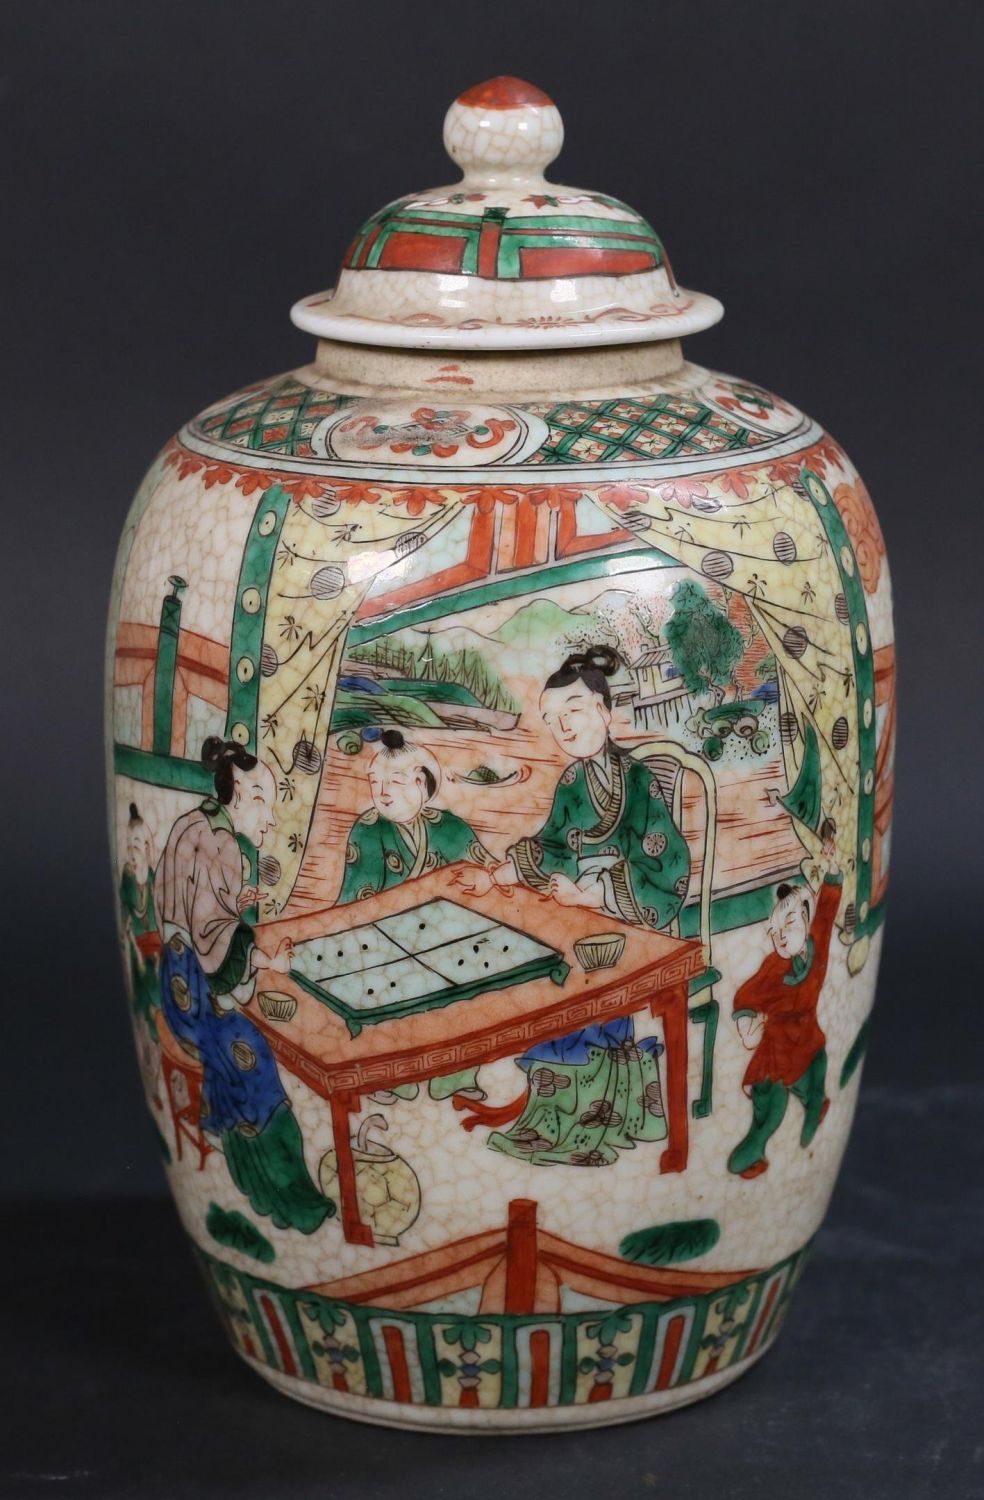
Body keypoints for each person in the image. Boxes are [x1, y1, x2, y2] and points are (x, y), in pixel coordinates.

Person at [466, 646, 692, 1166]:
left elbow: (666, 862)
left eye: (572, 711)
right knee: (549, 973)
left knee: (587, 982)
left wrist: (598, 894)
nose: (562, 726)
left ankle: (594, 1120)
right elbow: (550, 846)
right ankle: (549, 1114)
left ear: (604, 711)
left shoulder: (639, 781)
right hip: (581, 917)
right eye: (551, 719)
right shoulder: (572, 782)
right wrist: (500, 873)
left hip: (634, 920)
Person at [156, 736, 334, 1233]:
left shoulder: (195, 823)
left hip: (175, 981)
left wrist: (234, 908)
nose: (270, 821)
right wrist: (266, 959)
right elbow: (214, 940)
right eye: (266, 805)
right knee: (255, 1061)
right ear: (243, 796)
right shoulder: (224, 845)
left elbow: (195, 907)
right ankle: (285, 1193)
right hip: (198, 997)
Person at [338, 729, 497, 1104]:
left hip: (448, 940)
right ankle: (392, 1075)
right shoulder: (367, 832)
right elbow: (354, 903)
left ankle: (455, 1075)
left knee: (469, 989)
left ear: (421, 784)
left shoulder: (449, 827)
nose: (382, 793)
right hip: (387, 943)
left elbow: (486, 871)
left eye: (394, 781)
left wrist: (490, 879)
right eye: (375, 782)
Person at [727, 843, 840, 1179]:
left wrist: (833, 868)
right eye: (775, 933)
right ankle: (746, 1158)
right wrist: (746, 1026)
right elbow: (744, 998)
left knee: (814, 1079)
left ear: (805, 918)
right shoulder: (773, 967)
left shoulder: (816, 946)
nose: (780, 938)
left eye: (788, 924)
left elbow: (828, 908)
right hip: (774, 1051)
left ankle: (815, 1109)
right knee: (767, 1116)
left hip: (807, 1039)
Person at [119, 802, 162, 1041]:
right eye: (129, 843)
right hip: (139, 948)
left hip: (159, 945)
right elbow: (126, 917)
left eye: (137, 842)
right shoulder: (128, 880)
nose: (132, 849)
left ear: (146, 847)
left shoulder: (153, 879)